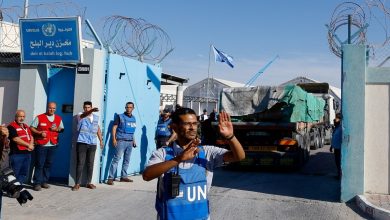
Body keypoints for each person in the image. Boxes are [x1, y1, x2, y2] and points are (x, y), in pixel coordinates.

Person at [142, 107, 245, 220]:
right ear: (175, 127)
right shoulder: (162, 153)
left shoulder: (206, 152)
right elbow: (147, 175)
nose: (192, 128)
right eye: (187, 124)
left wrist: (230, 137)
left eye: (195, 124)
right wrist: (179, 159)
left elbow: (239, 156)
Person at [30, 102, 64, 191]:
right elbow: (32, 128)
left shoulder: (58, 118)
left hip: (53, 144)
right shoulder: (39, 117)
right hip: (41, 144)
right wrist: (39, 133)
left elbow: (62, 129)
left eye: (53, 108)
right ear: (47, 108)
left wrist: (57, 129)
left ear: (55, 109)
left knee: (48, 164)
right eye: (50, 108)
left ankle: (44, 181)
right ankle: (37, 183)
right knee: (39, 164)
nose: (51, 110)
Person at [0, 125, 33, 216]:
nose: (6, 137)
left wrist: (15, 185)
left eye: (6, 135)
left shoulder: (5, 145)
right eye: (4, 135)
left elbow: (5, 167)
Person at [72, 101, 103, 191]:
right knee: (80, 163)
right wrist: (92, 110)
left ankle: (88, 182)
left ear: (91, 107)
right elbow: (83, 116)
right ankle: (77, 183)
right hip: (82, 142)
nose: (87, 109)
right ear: (83, 108)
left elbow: (97, 129)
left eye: (89, 107)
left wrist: (101, 140)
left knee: (90, 163)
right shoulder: (80, 115)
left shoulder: (96, 117)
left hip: (92, 143)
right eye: (85, 107)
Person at [107, 102, 137, 185]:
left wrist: (134, 141)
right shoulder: (119, 116)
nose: (128, 109)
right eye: (127, 107)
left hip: (130, 142)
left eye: (130, 107)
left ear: (133, 108)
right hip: (121, 141)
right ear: (125, 107)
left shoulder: (134, 118)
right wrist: (113, 139)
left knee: (127, 160)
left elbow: (132, 131)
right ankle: (110, 178)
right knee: (116, 159)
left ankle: (123, 177)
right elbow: (114, 128)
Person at [7, 110, 34, 184]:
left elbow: (31, 136)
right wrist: (28, 145)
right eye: (20, 116)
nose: (22, 118)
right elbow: (16, 139)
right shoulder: (11, 126)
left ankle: (19, 188)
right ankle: (13, 189)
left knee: (23, 173)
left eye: (23, 116)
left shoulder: (26, 126)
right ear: (16, 117)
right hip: (17, 154)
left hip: (27, 153)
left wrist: (31, 144)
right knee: (15, 173)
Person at [330, 113, 342, 179]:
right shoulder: (336, 128)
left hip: (339, 148)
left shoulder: (341, 128)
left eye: (336, 119)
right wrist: (331, 146)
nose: (334, 122)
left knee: (339, 162)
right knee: (337, 162)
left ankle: (340, 175)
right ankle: (338, 174)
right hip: (336, 148)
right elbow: (333, 138)